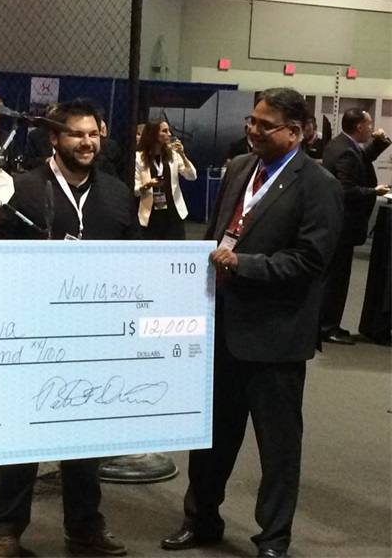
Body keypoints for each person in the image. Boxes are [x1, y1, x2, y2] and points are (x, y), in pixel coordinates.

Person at [160, 87, 343, 558]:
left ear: (294, 132)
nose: (252, 130)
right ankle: (201, 519)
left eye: (265, 125)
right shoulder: (241, 168)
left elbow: (310, 261)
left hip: (275, 338)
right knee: (211, 439)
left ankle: (274, 538)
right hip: (221, 329)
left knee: (277, 449)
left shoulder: (319, 185)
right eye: (252, 121)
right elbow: (218, 234)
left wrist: (244, 264)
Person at [0, 99, 139, 558]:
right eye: (77, 134)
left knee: (85, 438)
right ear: (54, 138)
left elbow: (133, 263)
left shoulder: (117, 194)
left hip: (92, 335)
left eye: (93, 134)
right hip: (31, 333)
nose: (87, 142)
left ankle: (85, 526)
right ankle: (5, 529)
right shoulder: (22, 190)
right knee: (21, 434)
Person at [320, 108, 391, 344]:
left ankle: (329, 324)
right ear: (359, 127)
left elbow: (362, 161)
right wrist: (374, 191)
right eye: (369, 124)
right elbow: (346, 190)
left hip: (337, 224)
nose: (372, 128)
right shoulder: (346, 152)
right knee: (337, 280)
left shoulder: (340, 144)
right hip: (343, 225)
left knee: (335, 277)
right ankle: (328, 327)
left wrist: (379, 143)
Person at [134, 119, 197, 240]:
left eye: (169, 131)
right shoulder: (138, 158)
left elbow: (192, 176)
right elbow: (135, 190)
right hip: (150, 214)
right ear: (154, 134)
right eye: (164, 131)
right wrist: (148, 185)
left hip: (173, 212)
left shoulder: (173, 154)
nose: (169, 134)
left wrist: (182, 155)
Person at [22, 102, 58, 170]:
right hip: (43, 172)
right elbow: (27, 161)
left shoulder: (67, 135)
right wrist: (46, 160)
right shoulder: (36, 135)